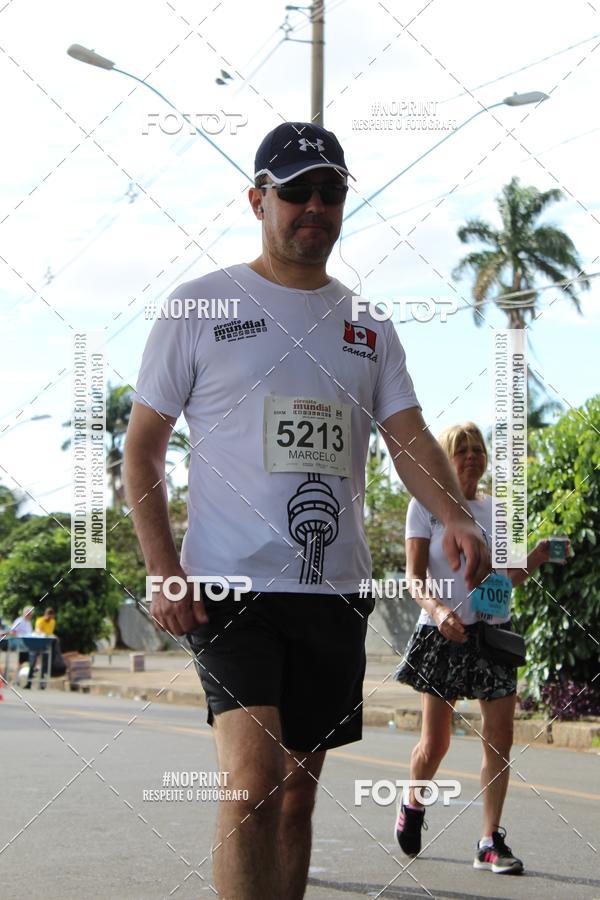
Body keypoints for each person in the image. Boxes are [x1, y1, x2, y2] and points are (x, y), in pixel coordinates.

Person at [124, 122, 490, 900]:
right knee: (252, 783)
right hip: (228, 586)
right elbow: (143, 448)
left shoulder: (368, 325)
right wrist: (163, 569)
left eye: (330, 191)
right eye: (295, 192)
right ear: (259, 200)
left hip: (333, 590)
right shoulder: (199, 307)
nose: (313, 207)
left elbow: (408, 436)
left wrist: (455, 513)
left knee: (295, 795)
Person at [394, 421, 569, 876]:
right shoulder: (424, 507)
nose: (472, 455)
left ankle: (489, 840)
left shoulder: (499, 511)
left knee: (500, 738)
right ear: (446, 458)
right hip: (442, 633)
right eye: (462, 448)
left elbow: (503, 578)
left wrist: (535, 557)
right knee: (436, 744)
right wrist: (437, 611)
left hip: (492, 634)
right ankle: (412, 803)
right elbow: (414, 577)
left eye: (478, 449)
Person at [25, 607, 57, 689]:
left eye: (51, 617)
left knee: (45, 664)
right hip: (37, 644)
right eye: (48, 616)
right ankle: (29, 683)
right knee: (32, 663)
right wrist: (44, 634)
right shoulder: (40, 620)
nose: (50, 618)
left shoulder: (52, 622)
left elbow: (50, 632)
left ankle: (42, 684)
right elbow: (38, 630)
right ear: (45, 615)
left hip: (45, 644)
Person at [9, 606, 34, 685]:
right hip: (19, 643)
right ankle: (15, 680)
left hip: (27, 645)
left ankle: (20, 680)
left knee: (25, 662)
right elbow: (13, 632)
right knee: (22, 662)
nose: (30, 615)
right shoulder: (19, 621)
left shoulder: (29, 623)